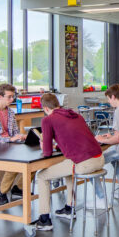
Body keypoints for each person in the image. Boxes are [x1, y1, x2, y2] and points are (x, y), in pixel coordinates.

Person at [36, 93, 105, 229]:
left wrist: (43, 144)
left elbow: (47, 152)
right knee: (68, 167)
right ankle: (69, 208)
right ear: (58, 104)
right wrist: (57, 145)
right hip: (99, 158)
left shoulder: (48, 120)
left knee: (41, 176)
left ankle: (44, 219)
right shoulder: (75, 115)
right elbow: (75, 139)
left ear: (45, 108)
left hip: (84, 163)